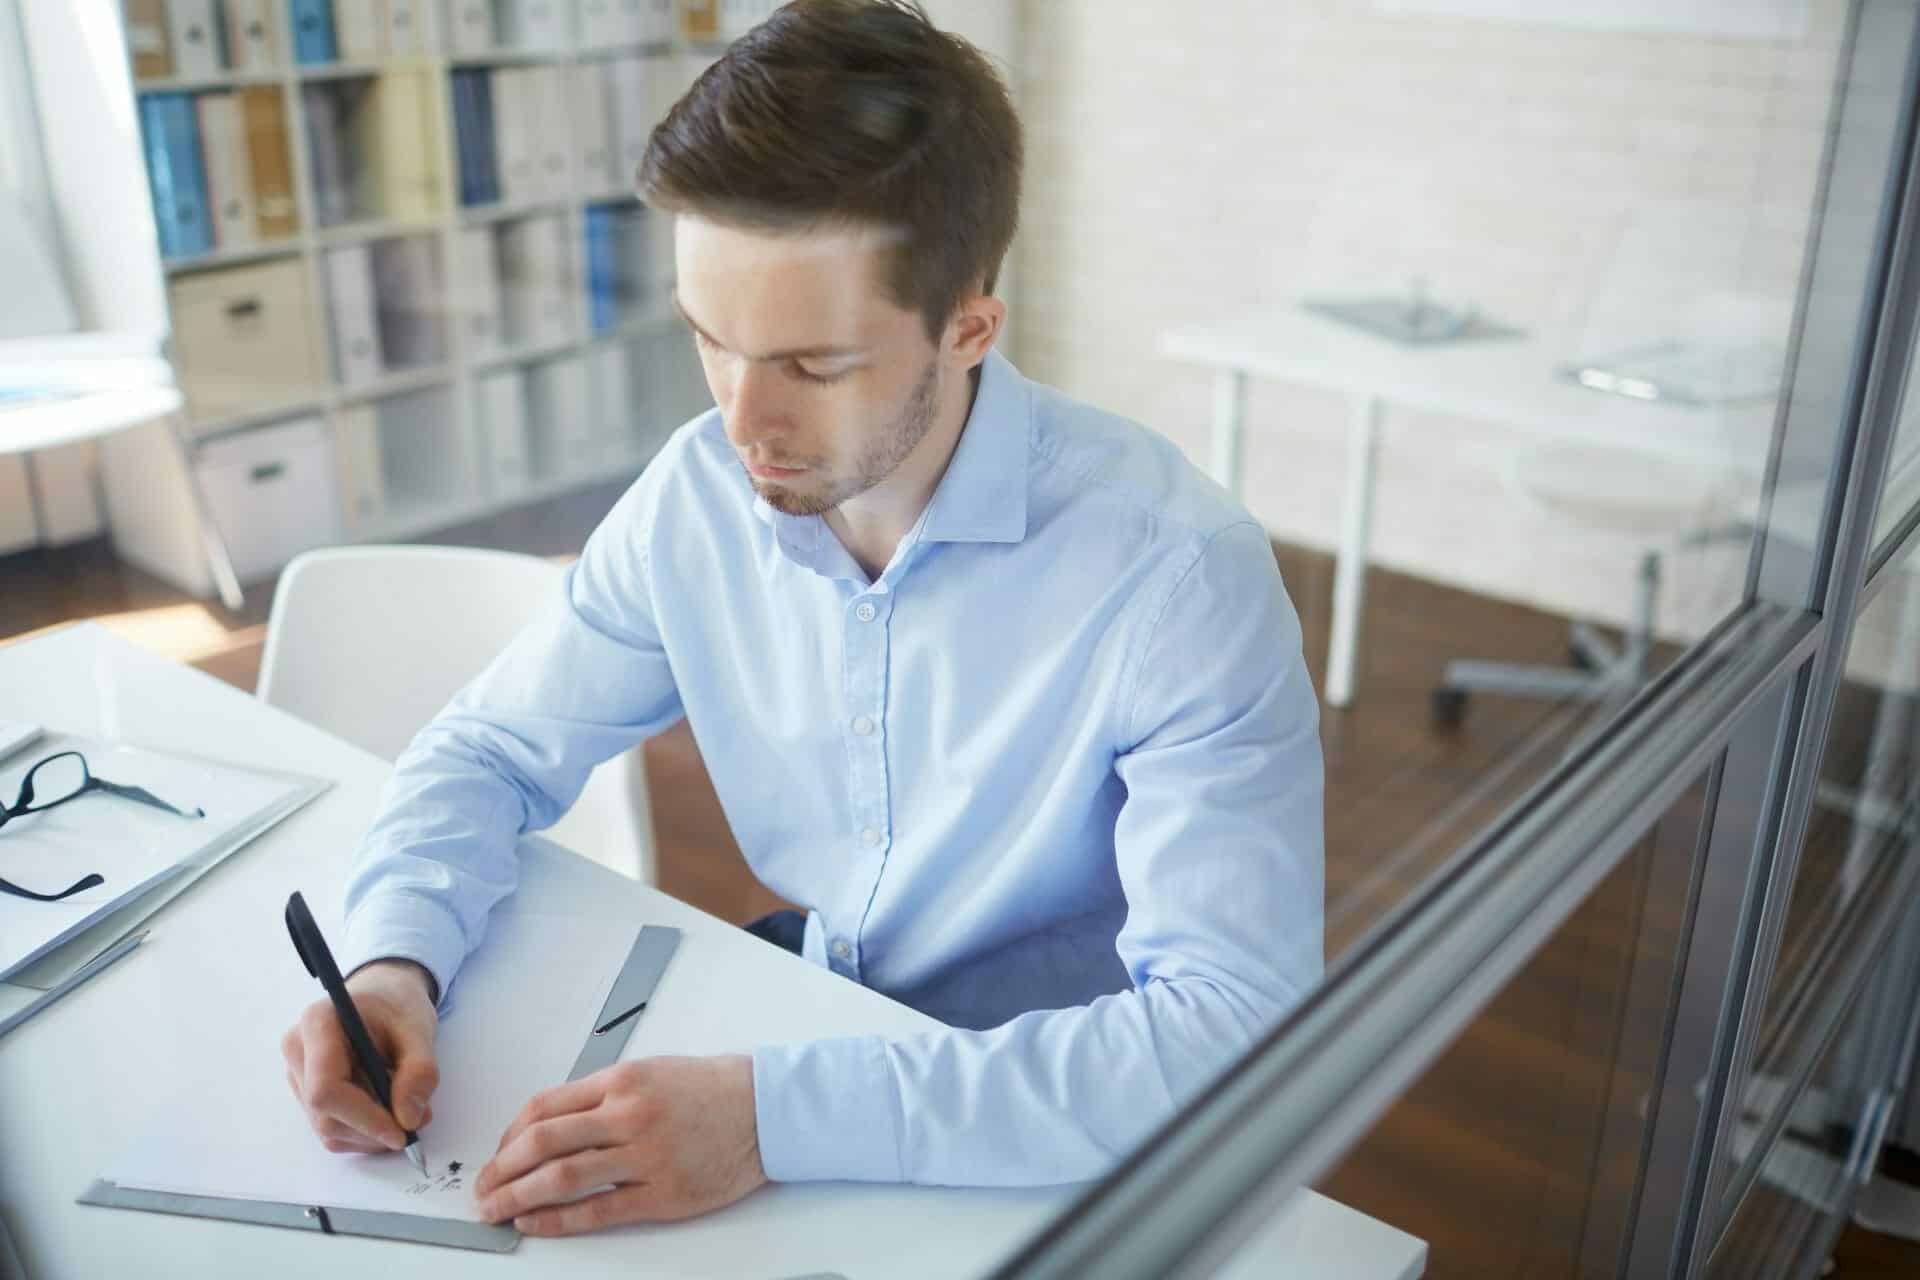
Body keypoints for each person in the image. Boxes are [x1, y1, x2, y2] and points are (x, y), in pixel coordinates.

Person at [281, 0, 1323, 1238]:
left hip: (1060, 1127)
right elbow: (488, 750)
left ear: (969, 328)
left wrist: (776, 1117)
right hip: (810, 1025)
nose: (740, 423)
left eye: (812, 367)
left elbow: (1232, 1036)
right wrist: (394, 957)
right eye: (711, 341)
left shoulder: (1178, 577)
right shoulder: (696, 494)